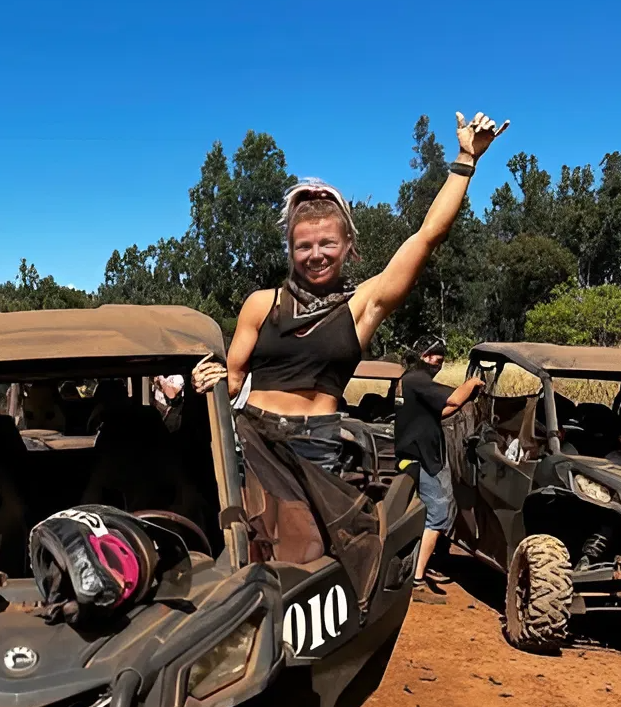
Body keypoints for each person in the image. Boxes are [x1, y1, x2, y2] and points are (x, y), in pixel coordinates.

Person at [192, 111, 508, 472]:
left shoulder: (361, 306)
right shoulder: (262, 305)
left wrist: (466, 160)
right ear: (291, 250)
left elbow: (427, 236)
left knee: (321, 530)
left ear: (347, 247)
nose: (315, 256)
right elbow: (230, 384)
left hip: (318, 449)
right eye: (303, 246)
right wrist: (202, 382)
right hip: (255, 442)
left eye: (327, 243)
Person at [396, 337, 482, 589]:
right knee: (438, 513)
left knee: (432, 512)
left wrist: (465, 397)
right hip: (422, 457)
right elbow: (453, 400)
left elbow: (443, 410)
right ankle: (418, 577)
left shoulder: (410, 381)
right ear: (424, 356)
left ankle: (420, 564)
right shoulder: (418, 380)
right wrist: (471, 383)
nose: (439, 363)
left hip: (419, 455)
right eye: (436, 358)